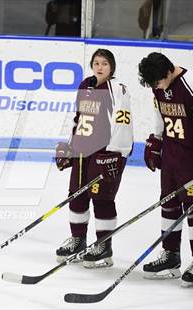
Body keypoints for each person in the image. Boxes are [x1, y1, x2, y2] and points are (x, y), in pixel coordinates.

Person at [55, 49, 133, 268]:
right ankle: (78, 240)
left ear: (112, 67)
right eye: (96, 63)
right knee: (76, 196)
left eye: (105, 64)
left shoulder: (117, 89)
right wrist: (70, 147)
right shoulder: (85, 85)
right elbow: (78, 118)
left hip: (104, 153)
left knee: (102, 199)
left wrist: (115, 154)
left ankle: (103, 245)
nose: (100, 67)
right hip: (82, 151)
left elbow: (123, 122)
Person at [138, 52, 193, 286]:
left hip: (191, 157)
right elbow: (160, 113)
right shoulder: (158, 84)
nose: (156, 87)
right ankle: (171, 256)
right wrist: (156, 140)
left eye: (158, 81)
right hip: (171, 154)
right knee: (169, 203)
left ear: (169, 71)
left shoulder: (191, 83)